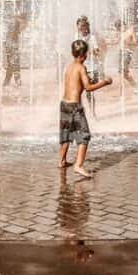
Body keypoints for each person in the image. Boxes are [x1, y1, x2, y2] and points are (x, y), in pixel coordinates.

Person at [59, 39, 112, 179]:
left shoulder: (69, 67)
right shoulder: (82, 68)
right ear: (85, 55)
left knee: (66, 134)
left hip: (64, 104)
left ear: (72, 53)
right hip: (75, 107)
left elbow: (77, 85)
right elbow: (87, 88)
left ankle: (62, 160)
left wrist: (89, 80)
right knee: (85, 136)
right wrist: (103, 83)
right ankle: (78, 165)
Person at [75, 16, 103, 117]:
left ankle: (92, 112)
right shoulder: (76, 37)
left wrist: (95, 51)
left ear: (86, 26)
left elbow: (96, 51)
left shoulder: (92, 37)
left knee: (89, 91)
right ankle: (81, 113)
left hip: (91, 68)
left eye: (83, 26)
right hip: (80, 68)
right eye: (79, 26)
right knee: (77, 91)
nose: (81, 28)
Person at [2, 13, 25, 89]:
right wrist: (11, 47)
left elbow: (10, 35)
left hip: (10, 46)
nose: (24, 26)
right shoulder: (16, 22)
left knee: (12, 64)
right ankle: (15, 81)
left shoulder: (15, 22)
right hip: (11, 46)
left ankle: (8, 81)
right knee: (14, 64)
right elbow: (10, 36)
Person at [115, 19, 138, 92]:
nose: (118, 29)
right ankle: (133, 84)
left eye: (119, 27)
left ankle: (124, 88)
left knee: (123, 71)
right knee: (123, 73)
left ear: (123, 25)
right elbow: (118, 43)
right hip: (121, 52)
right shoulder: (119, 33)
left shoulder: (130, 31)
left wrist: (129, 42)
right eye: (117, 28)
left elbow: (135, 42)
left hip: (128, 52)